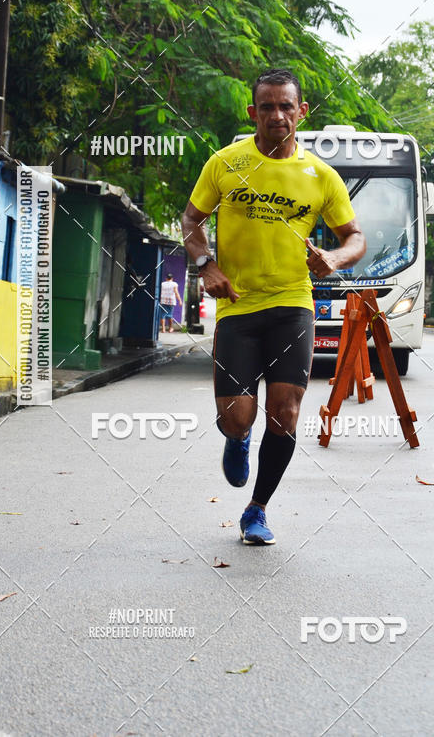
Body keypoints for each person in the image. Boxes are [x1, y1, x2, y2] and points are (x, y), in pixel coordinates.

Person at [181, 69, 366, 545]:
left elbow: (354, 238)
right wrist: (205, 264)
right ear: (253, 113)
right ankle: (237, 438)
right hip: (238, 309)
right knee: (237, 417)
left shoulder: (321, 177)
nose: (277, 116)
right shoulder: (225, 163)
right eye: (268, 107)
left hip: (292, 305)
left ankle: (257, 509)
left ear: (302, 112)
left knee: (284, 412)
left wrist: (334, 258)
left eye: (287, 106)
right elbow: (191, 218)